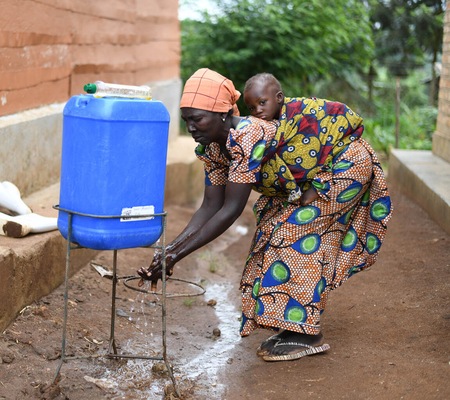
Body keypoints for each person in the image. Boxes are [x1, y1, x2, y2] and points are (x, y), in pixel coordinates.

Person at [137, 68, 393, 362]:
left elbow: (231, 211)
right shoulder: (214, 150)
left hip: (346, 165)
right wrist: (168, 250)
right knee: (271, 230)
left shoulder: (248, 135)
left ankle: (307, 334)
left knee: (293, 232)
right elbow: (210, 206)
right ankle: (292, 324)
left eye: (197, 119)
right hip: (311, 179)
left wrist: (175, 256)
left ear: (222, 113)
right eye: (187, 121)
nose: (191, 127)